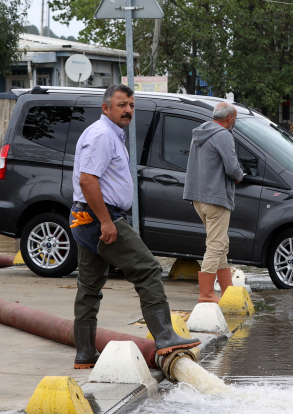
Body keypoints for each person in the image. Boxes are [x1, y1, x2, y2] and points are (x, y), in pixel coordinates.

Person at [69, 84, 199, 369]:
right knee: (148, 269)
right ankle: (164, 336)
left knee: (89, 288)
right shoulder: (103, 135)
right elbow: (88, 180)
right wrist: (106, 221)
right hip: (99, 218)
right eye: (121, 105)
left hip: (89, 218)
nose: (128, 110)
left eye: (130, 104)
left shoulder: (110, 134)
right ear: (106, 108)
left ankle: (85, 353)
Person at [183, 102, 244, 304]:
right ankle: (206, 294)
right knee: (215, 245)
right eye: (234, 119)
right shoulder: (224, 135)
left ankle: (227, 291)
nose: (234, 122)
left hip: (198, 197)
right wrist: (240, 175)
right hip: (216, 198)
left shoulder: (199, 133)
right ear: (229, 119)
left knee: (221, 244)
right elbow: (232, 168)